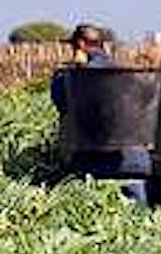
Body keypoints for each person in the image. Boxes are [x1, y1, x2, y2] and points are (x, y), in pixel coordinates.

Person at [49, 22, 147, 205]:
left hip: (92, 161)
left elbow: (61, 103)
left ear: (80, 44)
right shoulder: (128, 74)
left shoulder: (71, 77)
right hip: (135, 160)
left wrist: (72, 70)